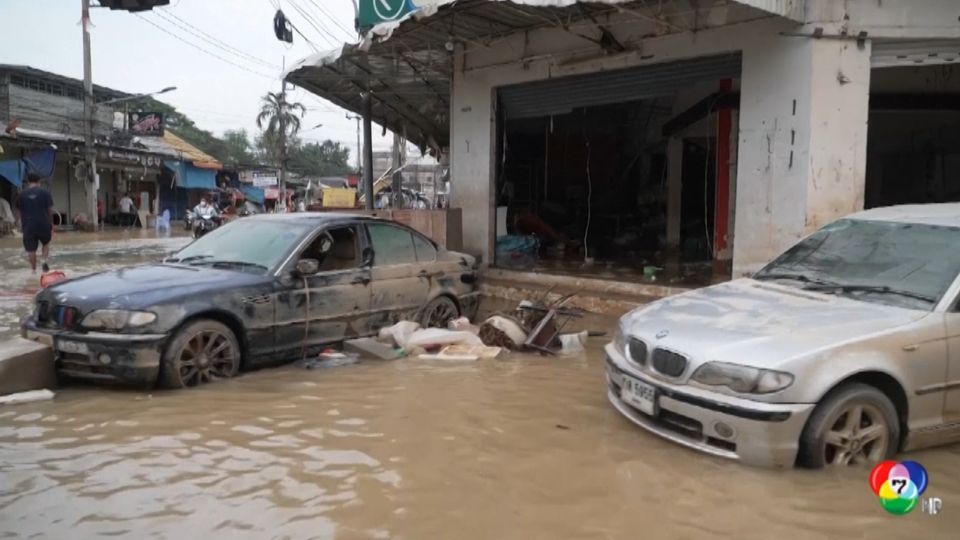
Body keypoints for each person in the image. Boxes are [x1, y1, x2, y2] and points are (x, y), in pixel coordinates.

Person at [14, 173, 53, 273]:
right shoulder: (45, 193)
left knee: (31, 250)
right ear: (39, 182)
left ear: (27, 182)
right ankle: (44, 260)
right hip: (43, 223)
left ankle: (33, 270)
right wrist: (51, 224)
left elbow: (18, 211)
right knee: (46, 243)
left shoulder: (21, 194)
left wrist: (19, 223)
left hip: (28, 225)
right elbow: (50, 210)